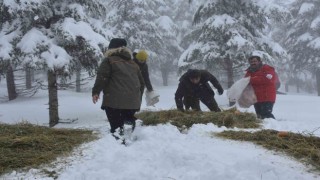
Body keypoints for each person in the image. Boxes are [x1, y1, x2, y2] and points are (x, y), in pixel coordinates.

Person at [92, 38, 145, 140]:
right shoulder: (133, 64)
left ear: (111, 49)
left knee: (116, 129)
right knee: (126, 123)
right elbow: (142, 84)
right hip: (132, 103)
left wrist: (96, 92)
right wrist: (137, 100)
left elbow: (102, 77)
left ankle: (119, 143)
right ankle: (132, 128)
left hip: (114, 103)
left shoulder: (109, 61)